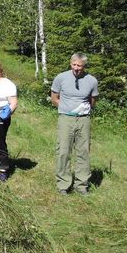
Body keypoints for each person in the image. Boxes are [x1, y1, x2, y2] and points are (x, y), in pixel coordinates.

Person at [50, 52, 99, 196]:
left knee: (83, 151)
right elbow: (54, 98)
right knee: (63, 150)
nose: (76, 68)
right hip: (65, 118)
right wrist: (66, 108)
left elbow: (93, 100)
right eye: (74, 64)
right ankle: (63, 184)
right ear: (71, 63)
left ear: (84, 66)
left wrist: (82, 111)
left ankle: (81, 185)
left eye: (80, 66)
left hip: (84, 119)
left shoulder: (91, 80)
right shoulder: (61, 77)